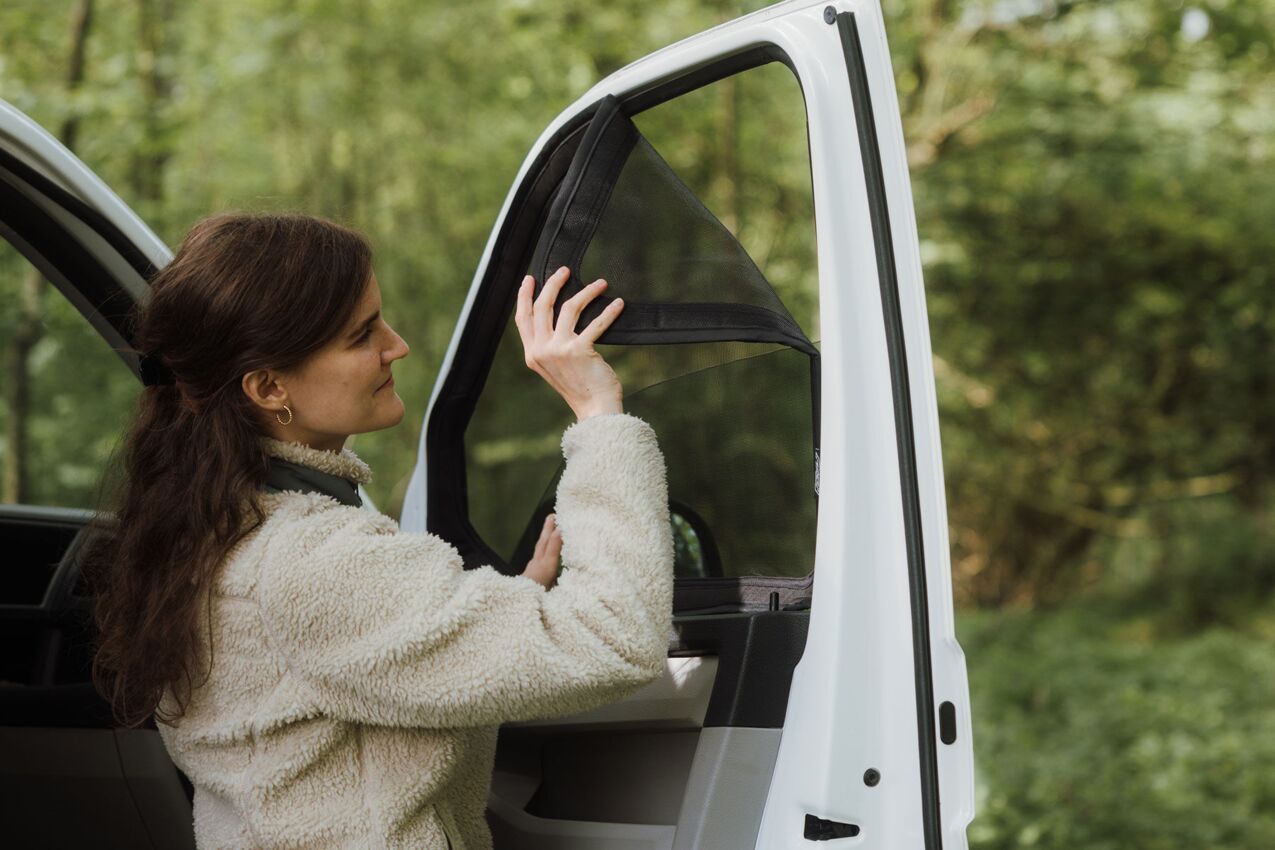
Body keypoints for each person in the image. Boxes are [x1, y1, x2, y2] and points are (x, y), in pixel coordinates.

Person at [84, 213, 674, 849]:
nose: (397, 346)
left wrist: (507, 604)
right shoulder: (314, 563)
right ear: (268, 386)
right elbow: (615, 640)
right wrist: (598, 413)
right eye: (362, 335)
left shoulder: (211, 533)